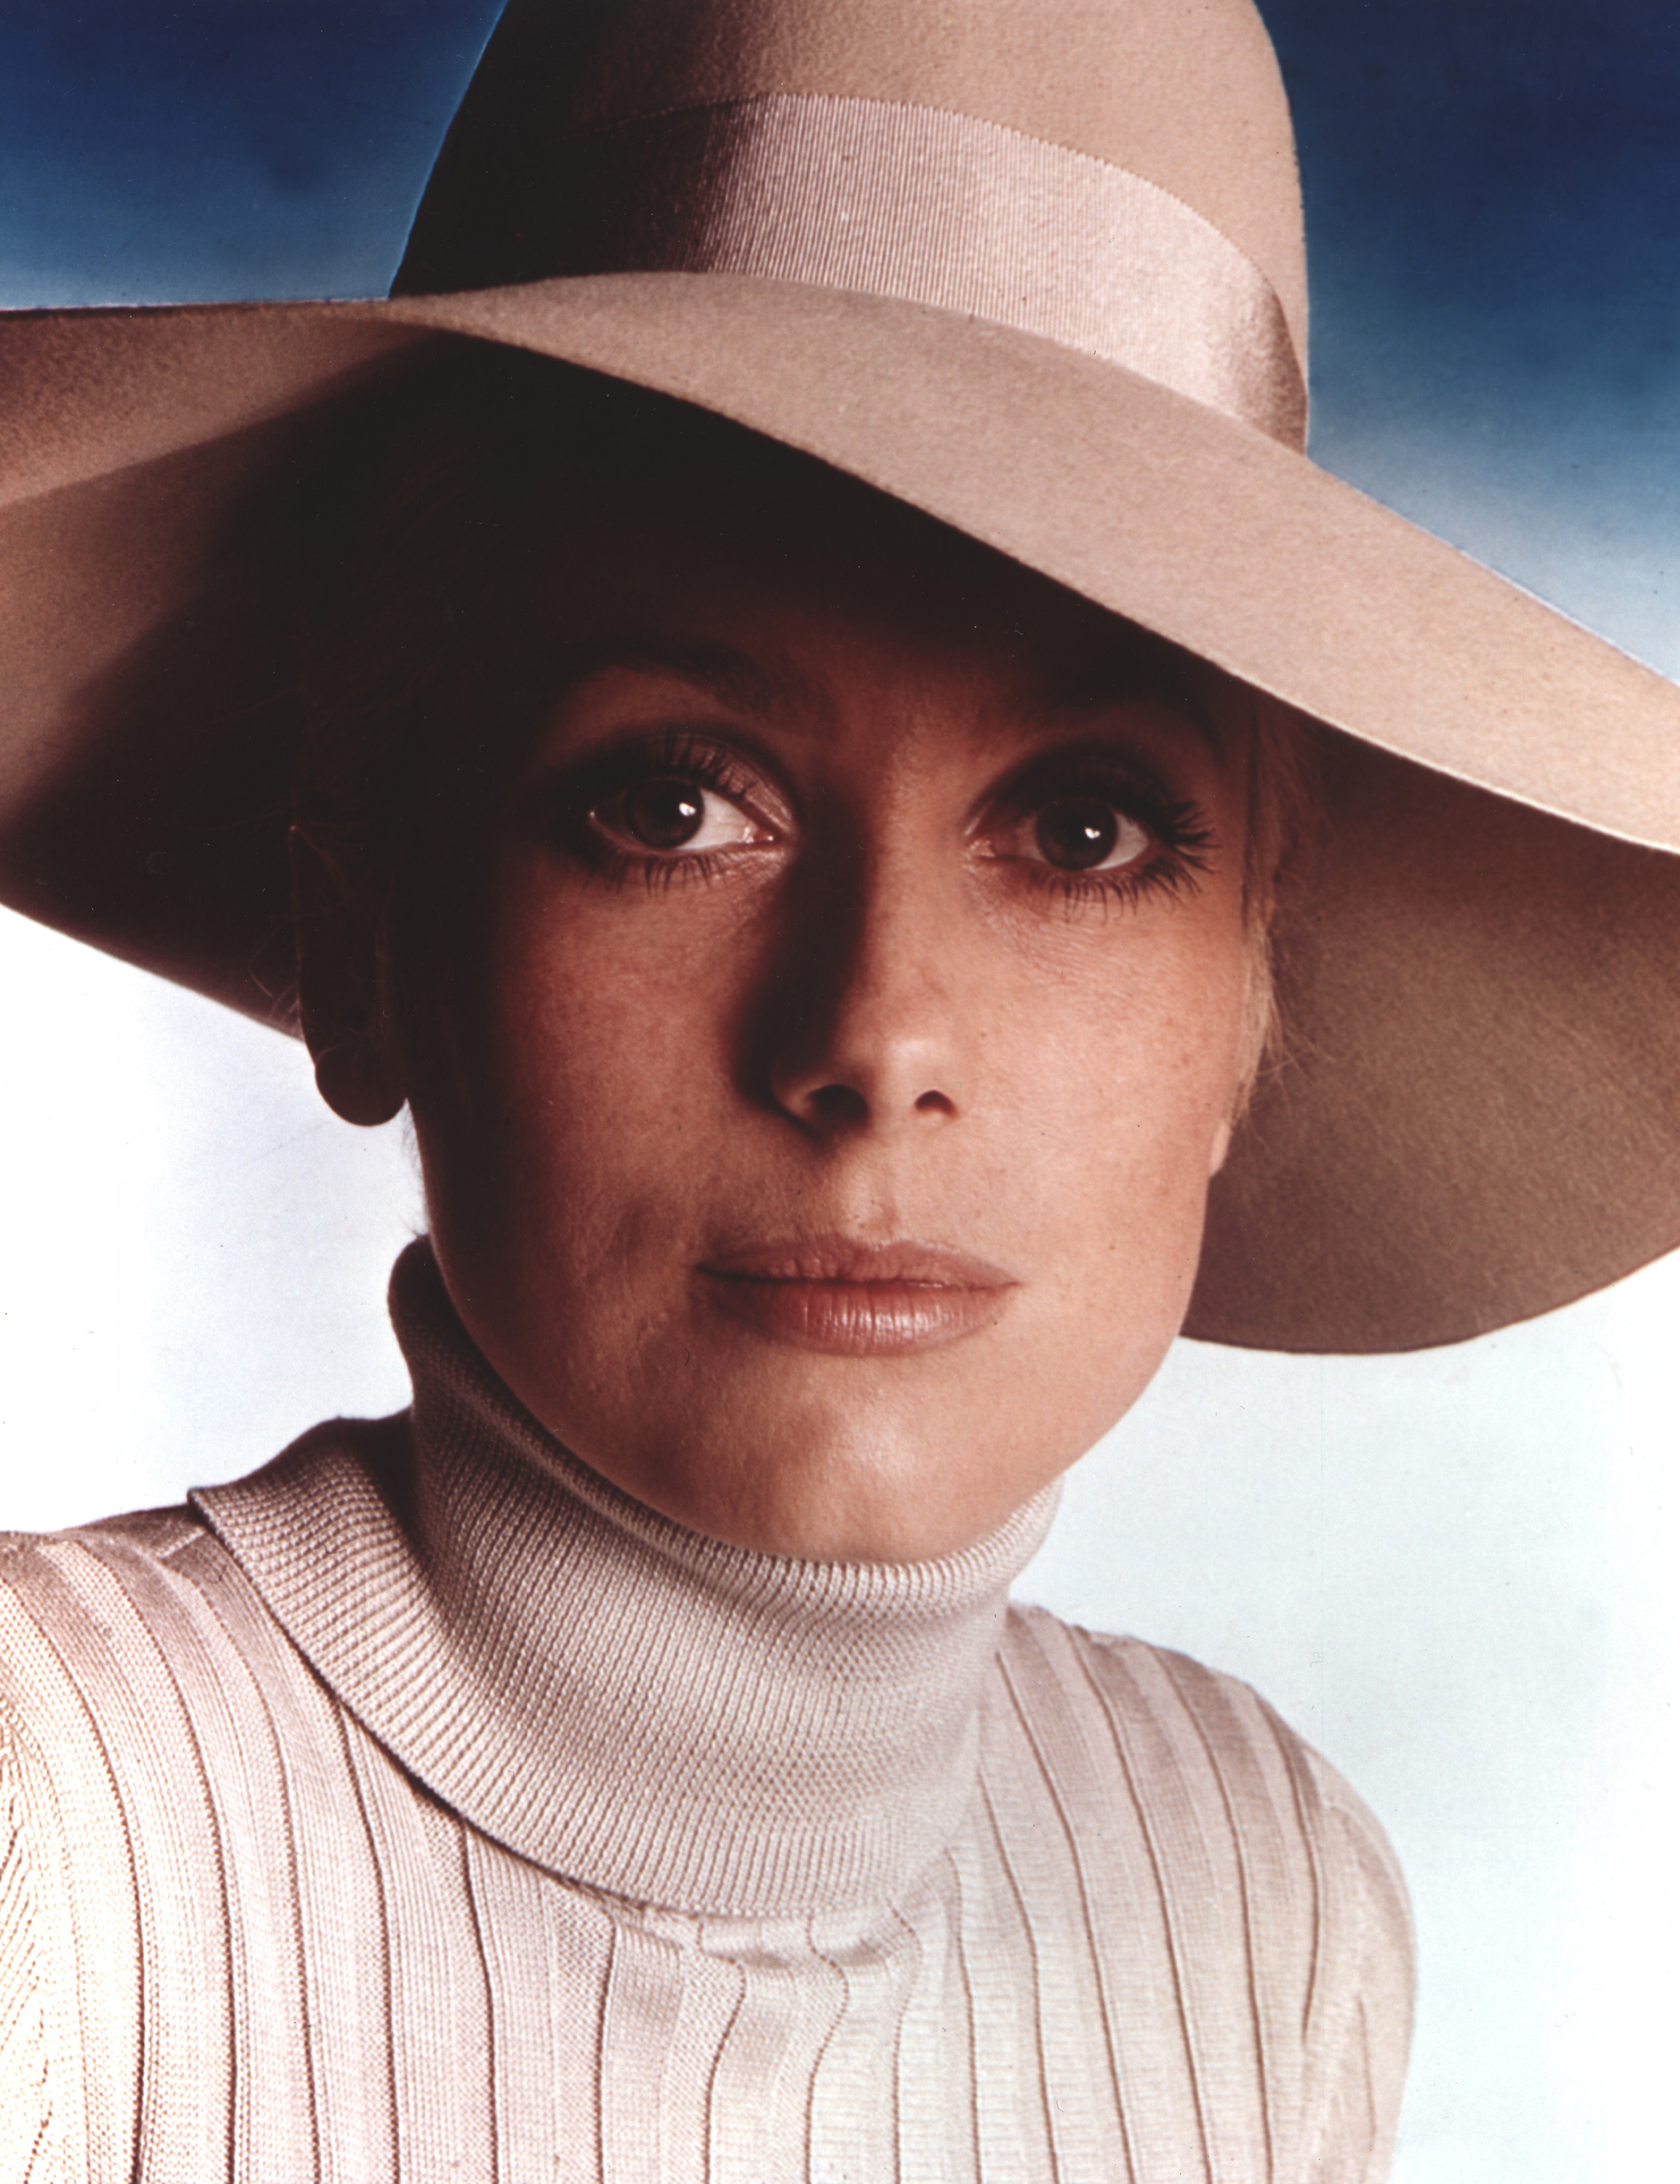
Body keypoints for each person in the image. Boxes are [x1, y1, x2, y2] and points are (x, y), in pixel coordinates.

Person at [0, 2, 1676, 2178]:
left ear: (1248, 1017)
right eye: (672, 807)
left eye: (1080, 830)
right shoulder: (53, 1846)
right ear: (358, 945)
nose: (876, 1039)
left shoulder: (1262, 1899)